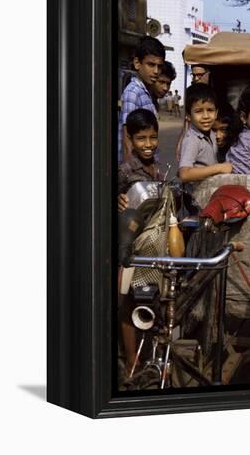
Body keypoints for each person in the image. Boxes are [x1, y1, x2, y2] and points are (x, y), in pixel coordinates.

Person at [117, 109, 161, 381]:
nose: (148, 144)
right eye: (141, 139)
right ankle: (132, 361)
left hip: (153, 244)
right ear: (130, 140)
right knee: (129, 301)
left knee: (150, 297)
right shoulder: (124, 171)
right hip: (130, 248)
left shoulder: (157, 168)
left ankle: (148, 356)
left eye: (153, 137)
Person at [118, 36, 165, 163]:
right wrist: (130, 175)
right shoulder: (133, 92)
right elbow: (127, 138)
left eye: (159, 66)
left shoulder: (146, 91)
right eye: (151, 64)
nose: (156, 71)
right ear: (137, 63)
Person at [178, 83, 232, 183]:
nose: (206, 116)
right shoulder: (192, 139)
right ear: (189, 115)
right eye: (199, 111)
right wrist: (219, 168)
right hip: (197, 194)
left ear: (216, 113)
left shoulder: (211, 133)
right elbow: (184, 174)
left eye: (210, 110)